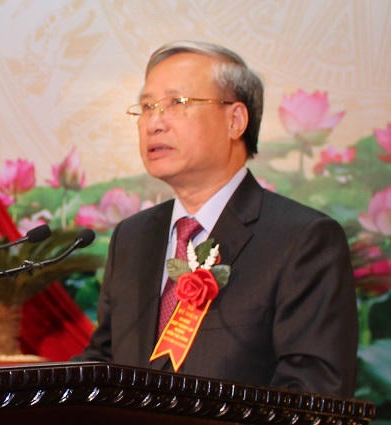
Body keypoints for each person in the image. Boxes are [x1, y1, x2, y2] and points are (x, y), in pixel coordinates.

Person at [74, 40, 358, 398]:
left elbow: (313, 393)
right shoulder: (132, 237)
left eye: (177, 103)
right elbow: (104, 364)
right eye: (146, 107)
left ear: (235, 120)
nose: (154, 123)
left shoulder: (303, 239)